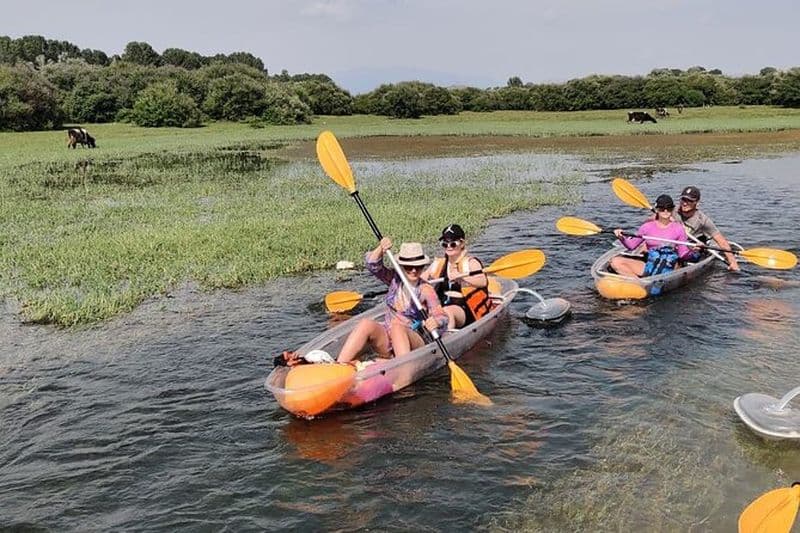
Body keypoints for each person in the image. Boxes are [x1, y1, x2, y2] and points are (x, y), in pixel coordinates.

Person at [336, 238, 448, 364]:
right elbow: (372, 265)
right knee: (366, 324)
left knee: (398, 328)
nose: (414, 271)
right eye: (408, 267)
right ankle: (340, 364)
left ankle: (403, 368)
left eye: (418, 266)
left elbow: (442, 316)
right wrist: (381, 249)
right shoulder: (395, 279)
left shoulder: (426, 289)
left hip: (414, 338)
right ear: (401, 266)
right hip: (388, 337)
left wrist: (436, 322)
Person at [421, 224, 491, 330]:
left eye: (453, 243)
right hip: (441, 304)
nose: (449, 246)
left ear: (462, 243)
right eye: (445, 243)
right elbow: (420, 279)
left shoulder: (471, 263)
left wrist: (462, 278)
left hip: (464, 307)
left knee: (447, 312)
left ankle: (447, 338)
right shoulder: (438, 263)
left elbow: (482, 282)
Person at [611, 194, 693, 277]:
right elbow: (631, 246)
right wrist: (621, 237)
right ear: (657, 209)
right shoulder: (647, 227)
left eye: (669, 208)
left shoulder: (678, 228)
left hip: (669, 267)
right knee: (615, 262)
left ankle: (647, 283)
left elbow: (683, 254)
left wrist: (696, 251)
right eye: (662, 208)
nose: (665, 211)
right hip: (650, 266)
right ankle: (640, 284)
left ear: (672, 210)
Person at [675, 185, 740, 271]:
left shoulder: (703, 220)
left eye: (689, 201)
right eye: (683, 199)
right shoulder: (671, 211)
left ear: (697, 203)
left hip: (692, 249)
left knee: (678, 257)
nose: (685, 203)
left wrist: (733, 262)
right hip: (672, 244)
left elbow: (721, 242)